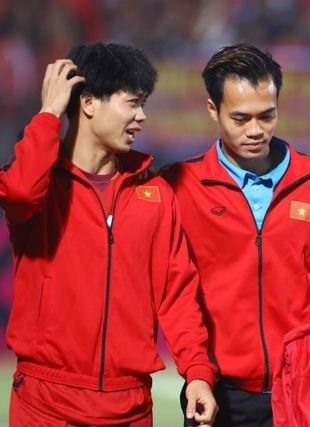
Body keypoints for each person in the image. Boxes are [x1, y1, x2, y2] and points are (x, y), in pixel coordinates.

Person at [1, 42, 217, 426]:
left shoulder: (155, 195)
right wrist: (49, 113)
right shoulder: (40, 184)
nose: (142, 117)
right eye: (132, 103)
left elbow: (177, 293)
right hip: (45, 404)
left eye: (143, 104)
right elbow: (17, 192)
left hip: (129, 406)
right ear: (87, 103)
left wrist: (197, 372)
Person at [161, 43, 310, 426]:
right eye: (240, 118)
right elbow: (176, 290)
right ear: (212, 110)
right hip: (216, 391)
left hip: (300, 386)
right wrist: (196, 371)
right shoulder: (180, 186)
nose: (255, 130)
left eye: (267, 116)